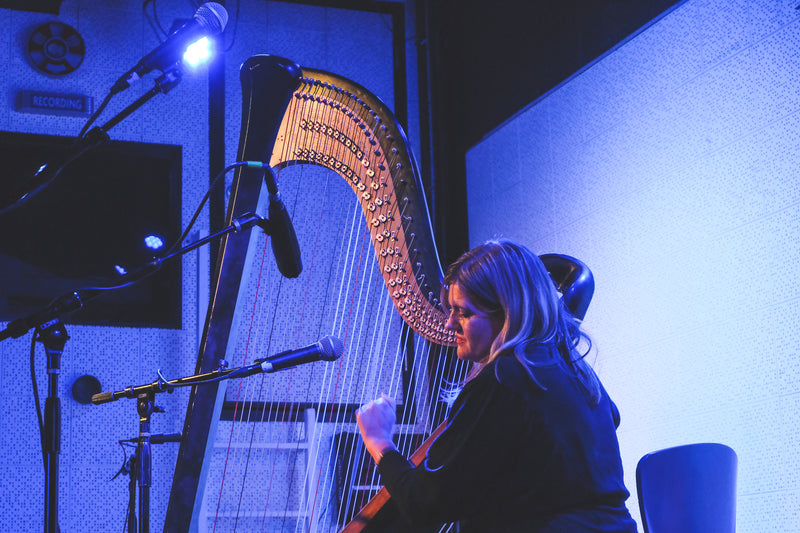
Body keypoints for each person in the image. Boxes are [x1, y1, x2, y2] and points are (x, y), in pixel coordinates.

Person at [356, 239, 638, 532]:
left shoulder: (505, 378)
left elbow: (427, 503)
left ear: (507, 313)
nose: (450, 324)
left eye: (463, 312)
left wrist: (380, 442)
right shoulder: (575, 371)